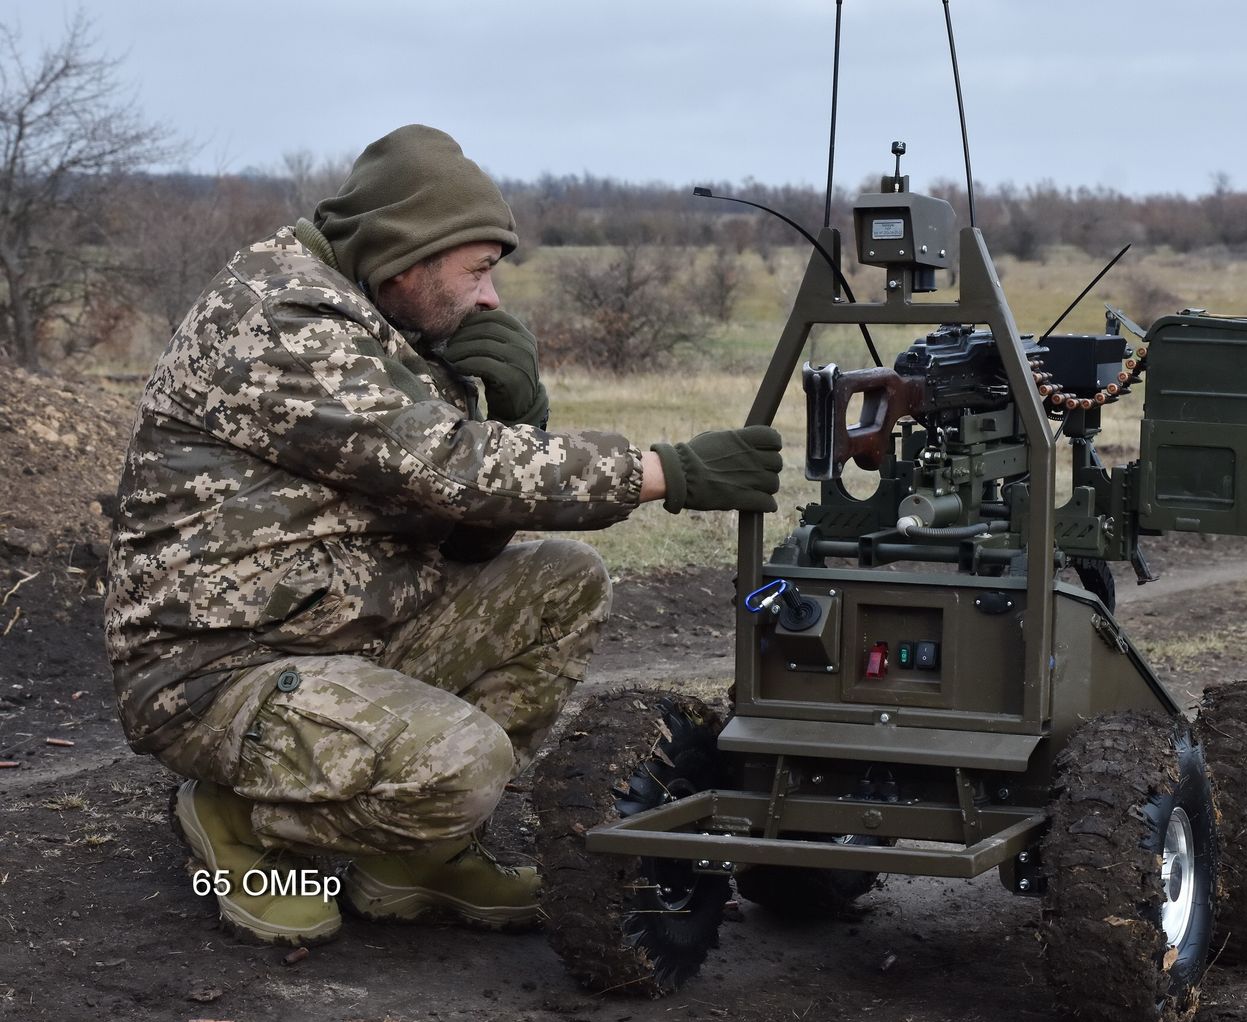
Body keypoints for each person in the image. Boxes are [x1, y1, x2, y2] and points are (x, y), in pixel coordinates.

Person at [103, 125, 781, 947]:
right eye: (478, 270)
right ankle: (242, 826)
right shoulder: (284, 318)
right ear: (406, 259)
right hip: (220, 671)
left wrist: (519, 412)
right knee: (465, 765)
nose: (490, 299)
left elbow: (457, 534)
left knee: (563, 580)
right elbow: (450, 467)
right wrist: (665, 470)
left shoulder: (385, 326)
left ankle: (414, 859)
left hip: (334, 629)